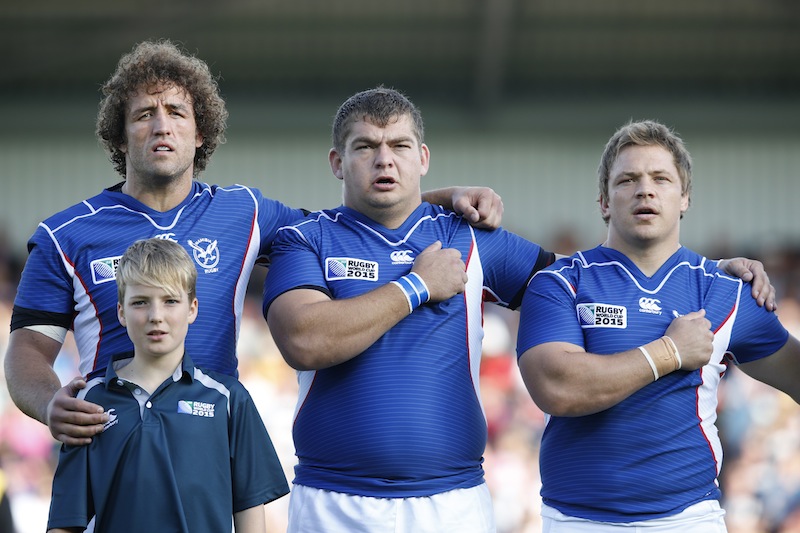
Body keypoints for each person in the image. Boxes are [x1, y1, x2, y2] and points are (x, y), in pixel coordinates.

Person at [260, 89, 773, 533]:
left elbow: (594, 277)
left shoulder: (470, 239)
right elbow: (305, 341)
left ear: (423, 158)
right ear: (337, 162)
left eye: (398, 147)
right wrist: (417, 285)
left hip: (453, 502)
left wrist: (705, 269)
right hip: (331, 499)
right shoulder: (304, 239)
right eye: (365, 148)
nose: (384, 161)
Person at [3, 38, 505, 447]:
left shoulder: (244, 212)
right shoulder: (66, 234)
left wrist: (445, 196)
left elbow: (349, 223)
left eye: (177, 112)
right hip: (109, 450)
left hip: (214, 453)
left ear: (201, 133)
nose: (162, 125)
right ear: (119, 135)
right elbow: (27, 351)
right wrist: (50, 403)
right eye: (144, 114)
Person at [516, 120, 800, 532]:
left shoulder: (726, 292)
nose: (644, 190)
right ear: (604, 202)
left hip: (688, 520)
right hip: (576, 520)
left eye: (661, 179)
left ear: (684, 198)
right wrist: (669, 353)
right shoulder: (560, 283)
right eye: (627, 180)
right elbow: (558, 388)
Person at [46, 238, 290, 533]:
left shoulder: (228, 399)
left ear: (192, 308)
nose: (156, 316)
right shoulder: (89, 402)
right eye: (140, 302)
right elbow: (65, 521)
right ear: (121, 312)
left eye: (170, 301)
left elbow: (250, 511)